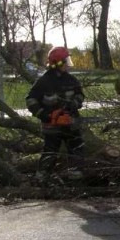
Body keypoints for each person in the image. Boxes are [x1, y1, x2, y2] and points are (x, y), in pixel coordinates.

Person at [26, 46, 85, 182]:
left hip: (71, 123)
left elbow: (80, 95)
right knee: (50, 153)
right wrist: (44, 115)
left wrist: (75, 103)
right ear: (58, 63)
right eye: (66, 61)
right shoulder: (43, 82)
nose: (68, 64)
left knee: (77, 150)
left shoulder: (71, 80)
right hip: (51, 126)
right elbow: (30, 100)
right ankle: (41, 180)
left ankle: (76, 181)